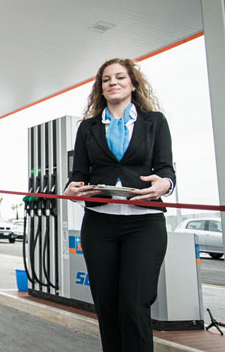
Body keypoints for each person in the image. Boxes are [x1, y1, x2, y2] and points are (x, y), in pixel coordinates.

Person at [64, 58, 175, 352]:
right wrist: (72, 188)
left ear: (133, 84)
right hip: (99, 224)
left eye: (120, 77)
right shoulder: (87, 128)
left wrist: (165, 183)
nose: (112, 83)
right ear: (100, 88)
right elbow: (78, 175)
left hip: (144, 223)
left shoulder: (155, 122)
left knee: (134, 302)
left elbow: (167, 170)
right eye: (106, 79)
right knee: (107, 304)